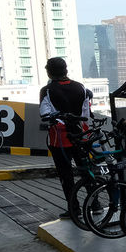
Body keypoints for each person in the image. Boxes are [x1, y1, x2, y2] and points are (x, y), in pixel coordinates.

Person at [39, 57, 91, 218]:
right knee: (86, 170)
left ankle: (74, 209)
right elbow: (86, 115)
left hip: (60, 139)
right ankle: (95, 203)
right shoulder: (81, 87)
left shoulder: (47, 90)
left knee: (66, 174)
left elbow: (44, 115)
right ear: (66, 69)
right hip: (80, 135)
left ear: (49, 71)